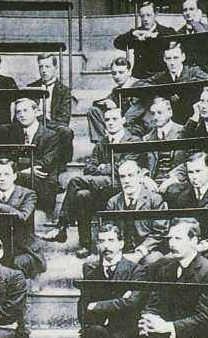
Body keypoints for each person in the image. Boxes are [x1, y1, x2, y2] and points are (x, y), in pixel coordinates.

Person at [42, 102, 140, 258]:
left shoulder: (133, 141)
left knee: (75, 181)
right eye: (107, 120)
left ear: (123, 120)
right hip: (101, 189)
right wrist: (104, 168)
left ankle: (62, 226)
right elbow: (88, 168)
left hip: (122, 186)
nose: (110, 123)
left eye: (114, 119)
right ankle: (86, 245)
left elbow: (125, 168)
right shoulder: (102, 143)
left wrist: (103, 167)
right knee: (82, 195)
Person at [76, 223, 147, 338]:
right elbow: (83, 308)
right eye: (102, 241)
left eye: (111, 240)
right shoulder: (91, 271)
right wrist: (119, 302)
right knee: (94, 334)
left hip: (124, 333)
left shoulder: (136, 270)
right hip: (97, 333)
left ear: (121, 243)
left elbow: (132, 303)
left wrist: (96, 306)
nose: (106, 246)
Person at [0, 158, 46, 280]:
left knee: (13, 266)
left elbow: (23, 216)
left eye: (6, 174)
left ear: (14, 176)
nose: (2, 178)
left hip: (23, 250)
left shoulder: (28, 194)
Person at [0, 98, 62, 214]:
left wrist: (18, 168)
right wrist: (25, 170)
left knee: (16, 178)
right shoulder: (13, 134)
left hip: (42, 183)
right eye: (18, 112)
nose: (22, 115)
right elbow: (6, 160)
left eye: (26, 110)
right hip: (20, 177)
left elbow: (46, 163)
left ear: (36, 112)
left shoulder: (51, 135)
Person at [105, 159, 169, 267]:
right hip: (122, 250)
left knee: (150, 262)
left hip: (149, 250)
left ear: (139, 177)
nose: (126, 180)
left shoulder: (155, 200)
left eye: (131, 175)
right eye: (122, 177)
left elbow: (161, 232)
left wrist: (140, 252)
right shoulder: (113, 202)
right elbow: (108, 231)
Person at [134, 42, 208, 123]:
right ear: (164, 59)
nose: (172, 63)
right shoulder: (161, 76)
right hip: (172, 119)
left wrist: (183, 86)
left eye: (175, 58)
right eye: (168, 58)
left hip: (194, 117)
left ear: (183, 57)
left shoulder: (194, 72)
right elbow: (138, 85)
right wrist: (160, 91)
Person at [26, 53, 74, 166]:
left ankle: (60, 165)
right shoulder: (31, 88)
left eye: (47, 67)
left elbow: (64, 119)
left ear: (55, 68)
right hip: (33, 124)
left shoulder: (64, 91)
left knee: (66, 132)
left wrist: (44, 121)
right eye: (41, 67)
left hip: (53, 125)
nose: (43, 70)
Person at [87, 57, 146, 142]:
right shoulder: (116, 91)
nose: (117, 76)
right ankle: (102, 143)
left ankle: (109, 140)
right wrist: (107, 103)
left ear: (129, 72)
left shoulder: (139, 87)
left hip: (134, 126)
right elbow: (98, 103)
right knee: (93, 111)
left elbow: (138, 109)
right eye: (114, 73)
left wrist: (120, 118)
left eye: (121, 72)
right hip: (119, 124)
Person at [142, 97, 188, 205]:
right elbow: (141, 163)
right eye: (153, 113)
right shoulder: (147, 138)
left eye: (160, 113)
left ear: (170, 112)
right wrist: (145, 178)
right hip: (153, 184)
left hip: (175, 182)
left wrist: (174, 178)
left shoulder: (183, 133)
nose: (156, 117)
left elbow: (191, 161)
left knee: (173, 191)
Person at [114, 1, 176, 78]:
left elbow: (176, 39)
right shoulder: (136, 33)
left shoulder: (167, 31)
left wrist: (155, 36)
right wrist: (133, 33)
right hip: (140, 76)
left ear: (156, 14)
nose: (145, 19)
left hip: (161, 77)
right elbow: (117, 43)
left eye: (148, 15)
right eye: (142, 16)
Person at [177, 0, 208, 67]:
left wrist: (195, 23)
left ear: (199, 11)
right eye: (185, 10)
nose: (188, 13)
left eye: (191, 9)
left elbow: (205, 41)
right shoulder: (178, 33)